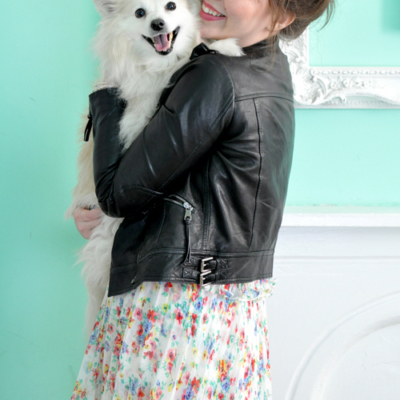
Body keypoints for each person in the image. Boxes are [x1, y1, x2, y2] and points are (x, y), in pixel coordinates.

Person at [71, 0, 334, 398]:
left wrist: (107, 91)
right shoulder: (270, 67)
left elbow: (117, 194)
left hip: (176, 311)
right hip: (231, 312)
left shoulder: (215, 75)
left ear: (282, 16)